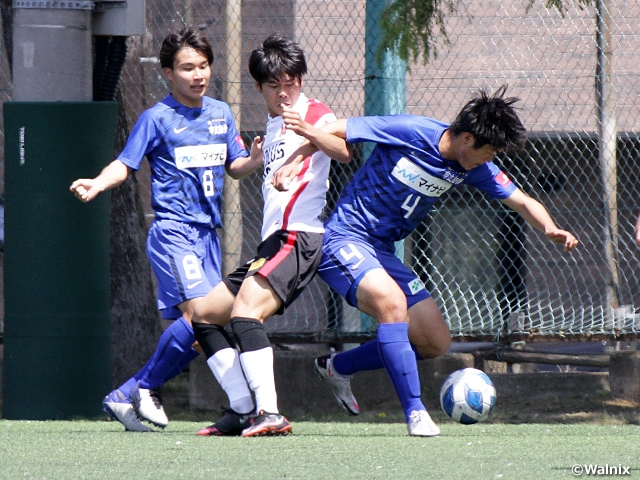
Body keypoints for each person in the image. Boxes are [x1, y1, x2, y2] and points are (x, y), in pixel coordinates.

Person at [273, 85, 579, 436]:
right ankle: (416, 413)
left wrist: (550, 227)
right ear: (467, 139)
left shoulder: (472, 167)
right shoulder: (411, 130)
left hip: (381, 252)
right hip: (344, 239)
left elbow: (522, 201)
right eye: (489, 150)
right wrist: (294, 160)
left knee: (435, 341)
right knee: (392, 304)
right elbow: (338, 129)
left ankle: (337, 366)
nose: (489, 159)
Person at [70, 27, 262, 432]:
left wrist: (257, 159)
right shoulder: (155, 118)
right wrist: (97, 182)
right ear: (167, 73)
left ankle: (128, 393)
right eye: (188, 67)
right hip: (175, 233)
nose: (198, 75)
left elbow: (236, 166)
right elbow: (125, 164)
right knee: (197, 317)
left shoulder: (220, 113)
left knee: (208, 328)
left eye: (204, 66)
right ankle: (148, 389)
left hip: (208, 236)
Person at [190, 33, 351, 437]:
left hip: (299, 237)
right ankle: (243, 410)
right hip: (273, 241)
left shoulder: (314, 112)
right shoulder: (274, 123)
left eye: (291, 81)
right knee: (205, 316)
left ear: (301, 79)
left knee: (246, 313)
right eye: (274, 84)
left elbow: (345, 151)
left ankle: (270, 412)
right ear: (260, 86)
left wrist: (310, 133)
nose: (284, 92)